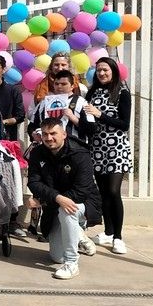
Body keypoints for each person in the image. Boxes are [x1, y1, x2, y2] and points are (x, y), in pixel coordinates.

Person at [27, 117, 99, 279]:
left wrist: (46, 200)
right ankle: (79, 234)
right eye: (45, 134)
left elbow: (82, 191)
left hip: (83, 203)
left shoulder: (80, 153)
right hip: (56, 204)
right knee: (56, 257)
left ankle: (72, 264)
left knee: (67, 211)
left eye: (53, 133)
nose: (49, 138)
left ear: (64, 134)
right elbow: (34, 182)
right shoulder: (37, 153)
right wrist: (57, 198)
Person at [85, 56, 133, 255]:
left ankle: (119, 237)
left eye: (105, 70)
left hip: (116, 149)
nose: (102, 73)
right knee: (103, 192)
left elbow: (124, 124)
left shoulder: (122, 92)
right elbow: (86, 117)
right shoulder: (92, 92)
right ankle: (108, 231)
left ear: (113, 71)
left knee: (113, 191)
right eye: (99, 70)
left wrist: (100, 115)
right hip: (97, 147)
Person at [29, 69, 93, 145]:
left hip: (74, 148)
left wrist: (73, 117)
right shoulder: (44, 103)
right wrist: (33, 134)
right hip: (48, 149)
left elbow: (91, 128)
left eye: (63, 84)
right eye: (56, 84)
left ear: (72, 86)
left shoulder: (82, 103)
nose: (59, 86)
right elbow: (32, 125)